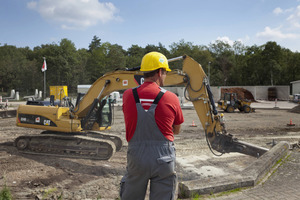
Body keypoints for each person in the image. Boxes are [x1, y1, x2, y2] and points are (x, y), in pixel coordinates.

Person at [120, 52, 184, 200]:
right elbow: (177, 130)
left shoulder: (128, 95)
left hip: (136, 156)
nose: (165, 76)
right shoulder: (171, 97)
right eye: (165, 72)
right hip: (164, 158)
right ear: (160, 72)